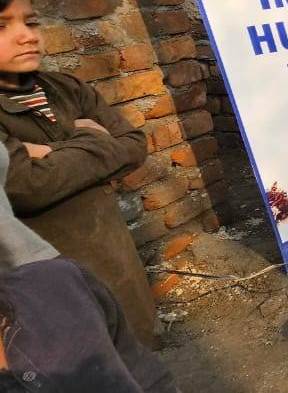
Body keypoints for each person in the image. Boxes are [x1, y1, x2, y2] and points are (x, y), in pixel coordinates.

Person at [0, 0, 157, 346]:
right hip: (51, 287)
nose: (26, 36)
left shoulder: (66, 88)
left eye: (30, 22)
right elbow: (24, 185)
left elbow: (133, 144)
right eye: (2, 25)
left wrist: (48, 153)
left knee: (142, 354)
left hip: (117, 266)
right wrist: (89, 136)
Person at [0, 145, 176, 391]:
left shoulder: (58, 283)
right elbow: (30, 183)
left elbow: (131, 145)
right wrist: (89, 140)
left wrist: (54, 150)